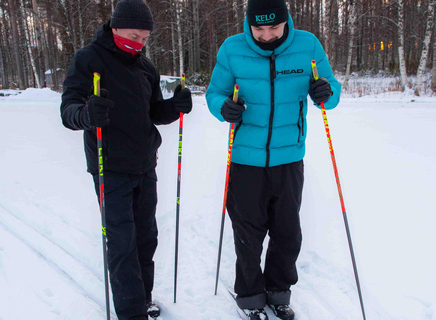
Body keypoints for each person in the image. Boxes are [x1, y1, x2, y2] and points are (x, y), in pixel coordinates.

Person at [206, 0, 341, 319]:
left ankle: (280, 291)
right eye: (259, 28)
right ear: (249, 24)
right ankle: (250, 294)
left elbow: (331, 91)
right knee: (247, 231)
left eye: (273, 28)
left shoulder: (307, 45)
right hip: (245, 159)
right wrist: (223, 108)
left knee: (287, 231)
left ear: (286, 22)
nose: (266, 35)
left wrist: (324, 93)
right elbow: (214, 94)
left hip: (289, 157)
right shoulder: (232, 49)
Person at [60, 0, 192, 319]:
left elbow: (154, 112)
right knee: (122, 243)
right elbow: (69, 111)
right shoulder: (88, 59)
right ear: (115, 26)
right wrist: (87, 114)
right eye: (134, 35)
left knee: (146, 237)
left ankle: (143, 297)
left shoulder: (144, 66)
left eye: (145, 38)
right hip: (110, 168)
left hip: (145, 165)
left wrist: (176, 106)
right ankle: (131, 313)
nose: (139, 43)